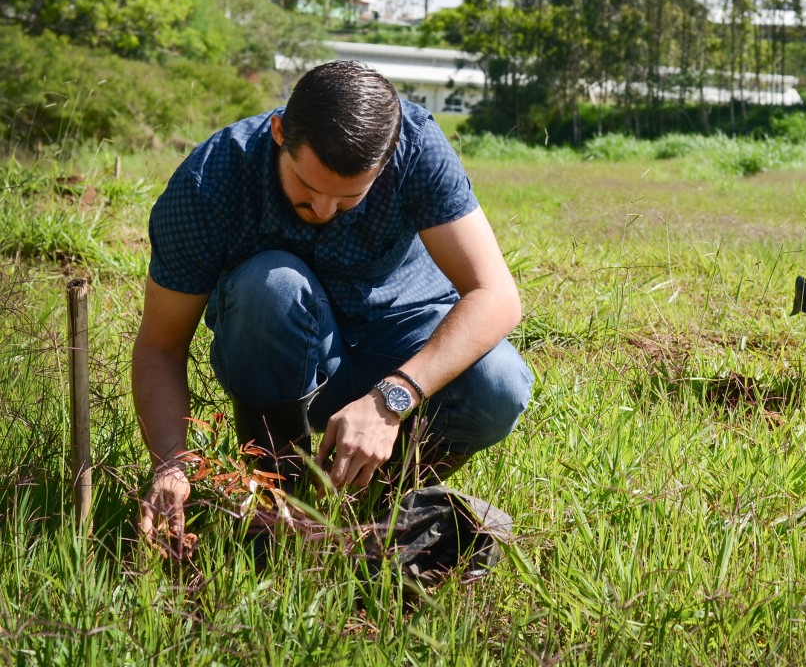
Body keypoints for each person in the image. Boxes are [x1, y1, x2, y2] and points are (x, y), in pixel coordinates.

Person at [133, 60, 533, 555]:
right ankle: (274, 495)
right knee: (270, 286)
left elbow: (496, 295)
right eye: (307, 188)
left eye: (347, 199)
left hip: (402, 344)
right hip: (284, 359)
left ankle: (368, 505)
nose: (322, 211)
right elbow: (160, 345)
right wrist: (172, 465)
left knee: (501, 383)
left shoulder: (417, 147)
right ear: (280, 132)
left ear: (387, 161)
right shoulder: (209, 183)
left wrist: (393, 398)